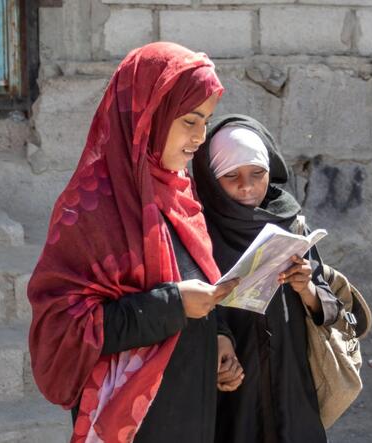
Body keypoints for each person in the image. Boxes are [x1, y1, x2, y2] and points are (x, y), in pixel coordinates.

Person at [27, 43, 242, 443]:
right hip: (131, 425)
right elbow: (63, 328)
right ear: (150, 117)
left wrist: (218, 337)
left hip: (190, 411)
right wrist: (173, 305)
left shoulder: (180, 198)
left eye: (206, 122)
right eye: (190, 121)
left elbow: (196, 283)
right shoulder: (89, 211)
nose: (200, 138)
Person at [193, 115, 342, 443]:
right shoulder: (199, 231)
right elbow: (190, 307)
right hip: (234, 383)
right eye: (231, 176)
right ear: (211, 179)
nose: (247, 186)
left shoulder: (288, 222)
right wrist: (217, 338)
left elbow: (332, 310)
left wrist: (307, 289)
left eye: (257, 174)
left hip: (291, 383)